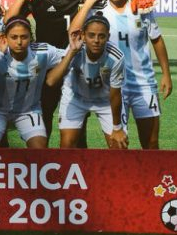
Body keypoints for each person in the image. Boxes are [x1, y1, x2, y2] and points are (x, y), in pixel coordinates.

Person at [69, 0, 171, 149]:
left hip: (144, 84)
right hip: (114, 88)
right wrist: (90, 1)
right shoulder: (97, 11)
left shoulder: (141, 7)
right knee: (118, 144)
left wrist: (166, 74)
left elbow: (156, 40)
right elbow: (74, 32)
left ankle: (148, 178)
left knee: (151, 143)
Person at [5, 0, 90, 142]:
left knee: (78, 128)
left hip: (76, 65)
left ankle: (78, 168)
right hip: (46, 68)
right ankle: (43, 165)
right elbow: (8, 21)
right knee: (43, 122)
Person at [0, 17, 65, 148]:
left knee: (40, 151)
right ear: (5, 38)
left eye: (24, 37)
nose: (19, 42)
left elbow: (67, 55)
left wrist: (73, 49)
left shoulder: (43, 51)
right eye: (14, 37)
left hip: (28, 111)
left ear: (31, 37)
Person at [46, 15, 127, 149]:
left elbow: (115, 94)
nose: (96, 40)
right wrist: (71, 52)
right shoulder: (75, 49)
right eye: (91, 35)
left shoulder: (116, 57)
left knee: (119, 146)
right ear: (83, 35)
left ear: (108, 36)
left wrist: (117, 127)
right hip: (76, 98)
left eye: (101, 36)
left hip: (105, 101)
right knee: (67, 146)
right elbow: (51, 81)